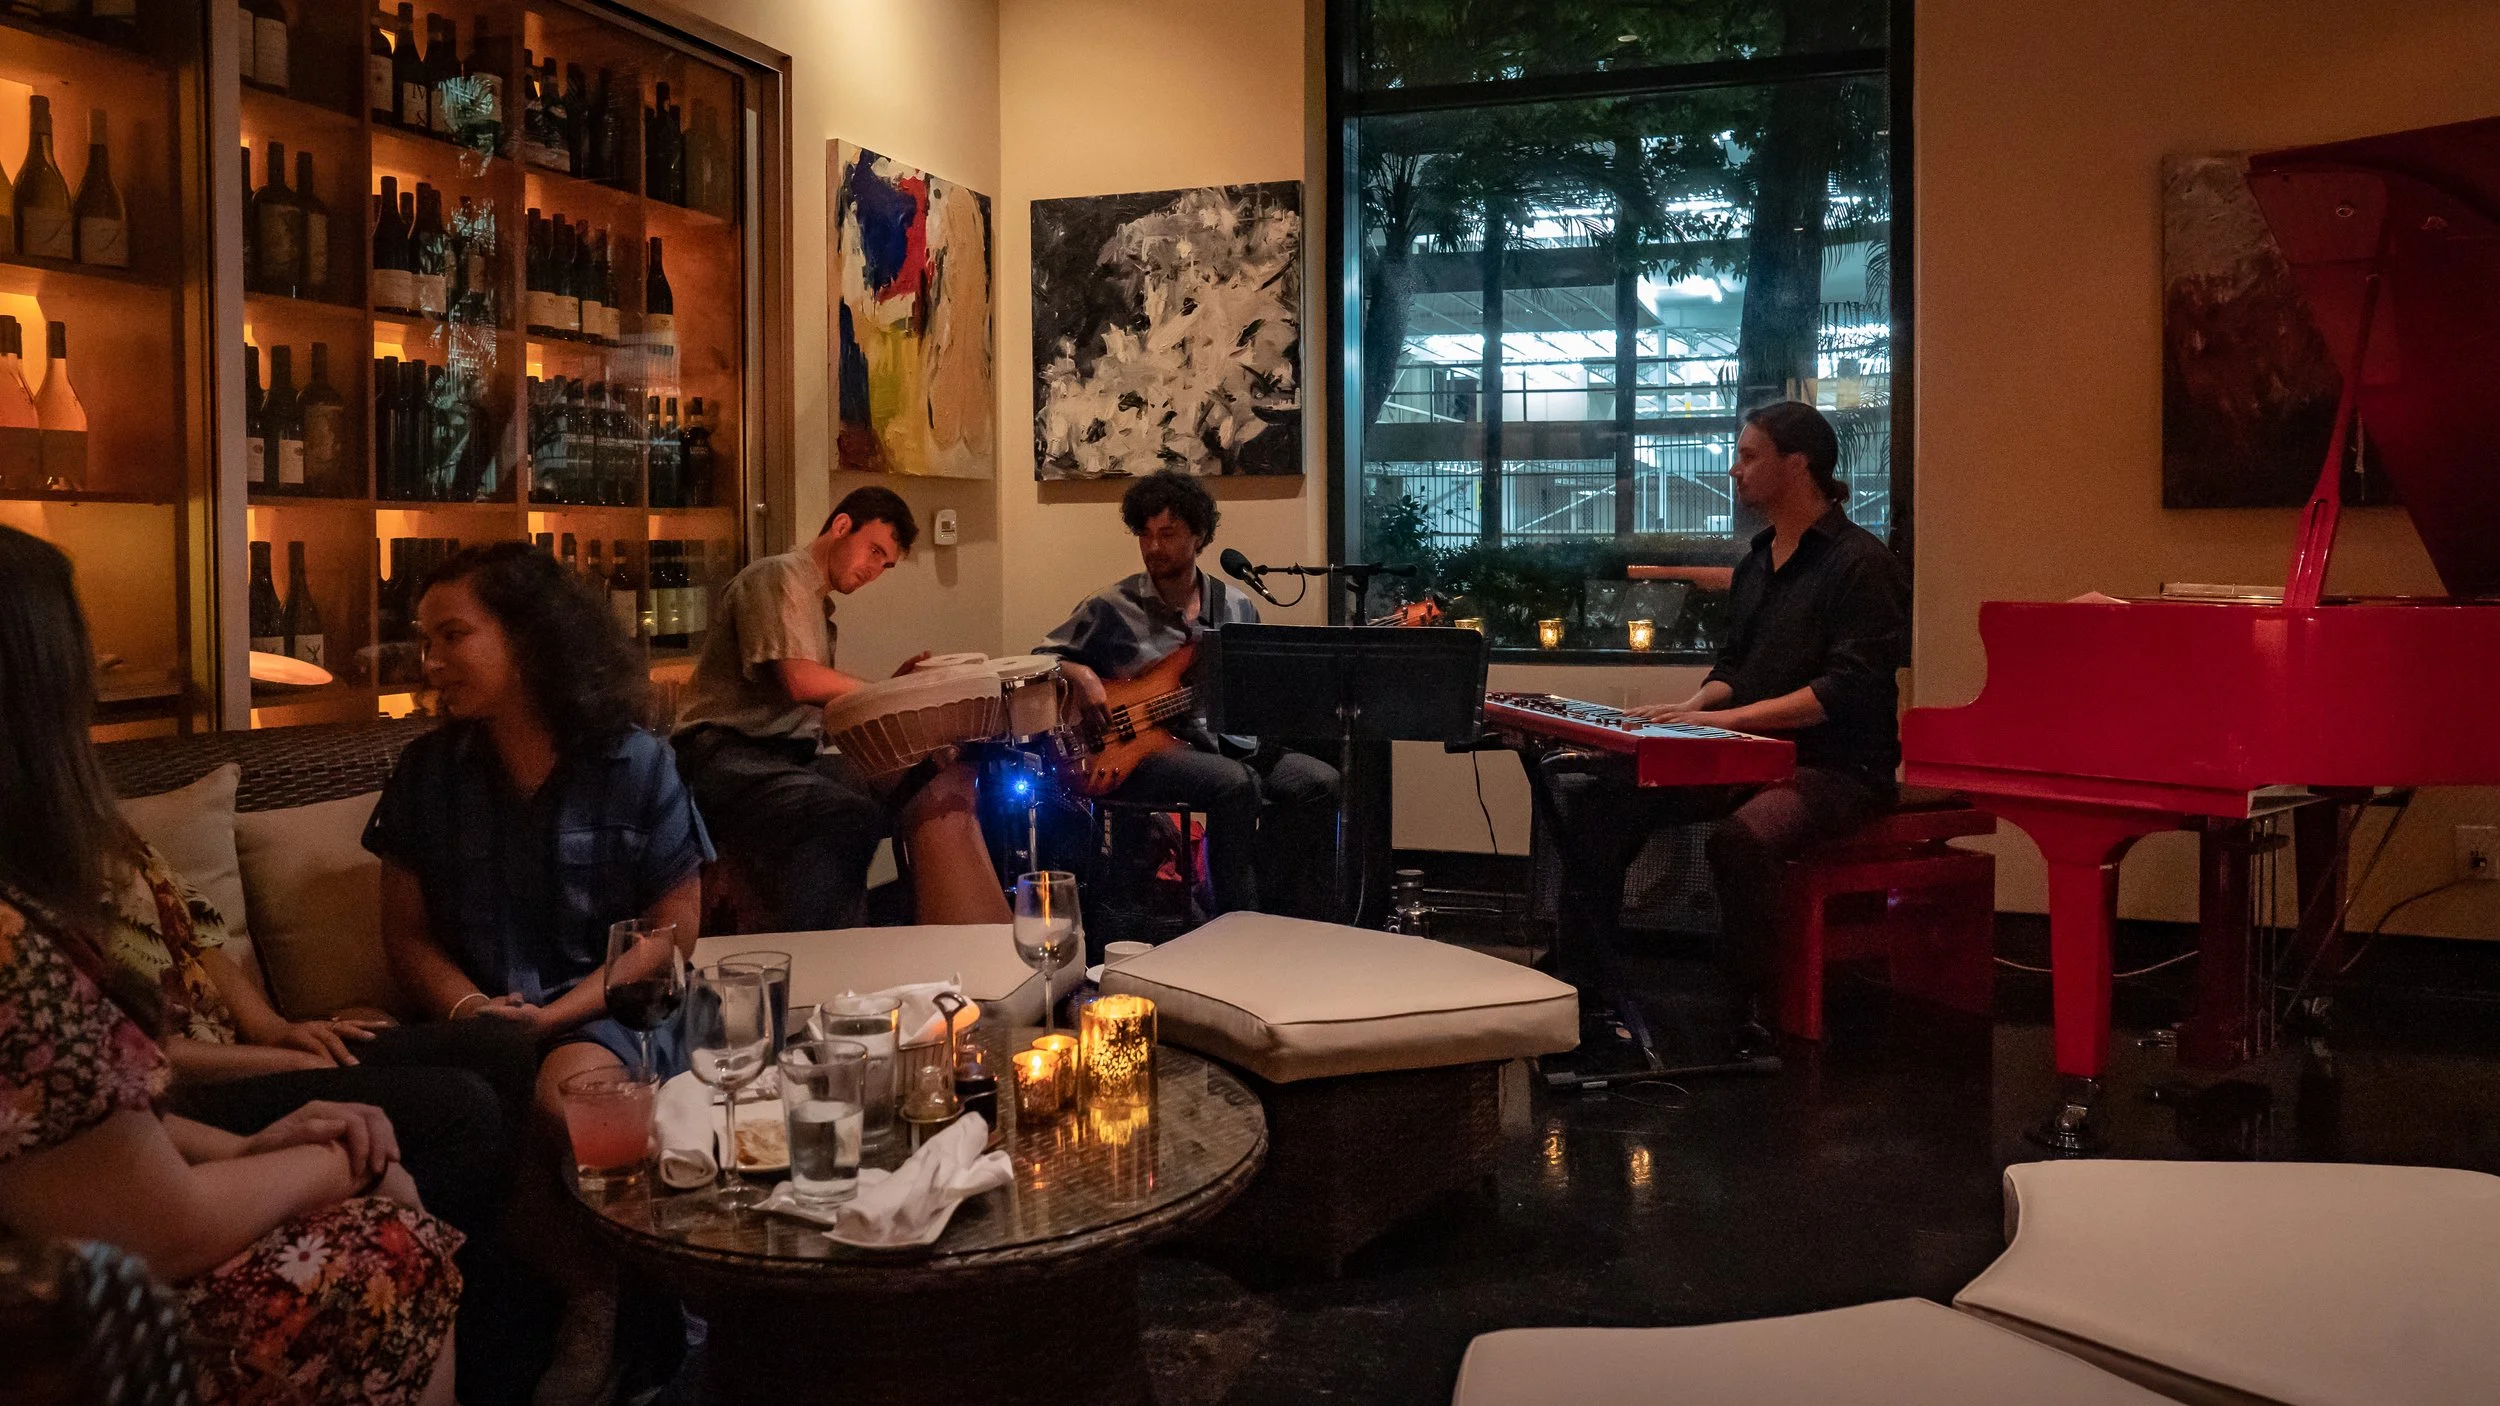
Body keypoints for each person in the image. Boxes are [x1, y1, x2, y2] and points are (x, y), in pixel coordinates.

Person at [0, 524, 460, 1405]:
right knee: (394, 1234)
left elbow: (73, 1130)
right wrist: (339, 1164)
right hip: (62, 1323)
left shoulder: (67, 874)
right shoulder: (17, 946)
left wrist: (260, 1118)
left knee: (479, 1071)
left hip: (111, 1204)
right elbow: (152, 1219)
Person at [1529, 401, 1908, 1059]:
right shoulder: (1759, 557)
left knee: (1741, 841)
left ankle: (1745, 1013)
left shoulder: (1861, 563)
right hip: (1747, 752)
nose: (1734, 470)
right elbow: (1738, 663)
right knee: (1598, 800)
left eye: (1749, 456)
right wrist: (1691, 707)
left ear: (1798, 464)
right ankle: (1584, 984)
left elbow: (1843, 691)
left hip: (1839, 768)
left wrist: (1718, 720)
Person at [367, 542, 711, 1115]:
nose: (430, 662)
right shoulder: (427, 773)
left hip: (612, 1012)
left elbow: (670, 935)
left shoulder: (637, 765)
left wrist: (553, 1017)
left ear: (529, 637)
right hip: (475, 1026)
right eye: (427, 641)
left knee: (570, 1100)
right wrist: (473, 1011)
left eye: (452, 636)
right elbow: (408, 935)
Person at [672, 485, 1010, 930]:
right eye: (874, 551)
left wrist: (891, 692)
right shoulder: (776, 577)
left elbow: (817, 709)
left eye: (885, 564)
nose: (875, 570)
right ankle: (825, 952)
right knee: (847, 814)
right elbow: (800, 681)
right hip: (722, 753)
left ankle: (936, 929)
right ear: (842, 525)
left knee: (921, 780)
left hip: (783, 755)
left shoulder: (817, 609)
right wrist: (882, 696)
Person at [1039, 469, 1341, 917]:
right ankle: (1235, 923)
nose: (1154, 547)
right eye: (1145, 534)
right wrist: (1081, 677)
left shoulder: (1236, 607)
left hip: (1226, 743)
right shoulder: (1110, 606)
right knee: (1235, 785)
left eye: (1168, 533)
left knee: (1319, 783)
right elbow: (1041, 658)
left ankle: (1267, 899)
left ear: (1199, 535)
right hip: (1143, 753)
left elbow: (1257, 689)